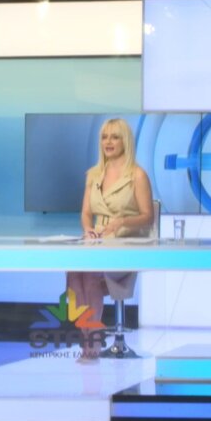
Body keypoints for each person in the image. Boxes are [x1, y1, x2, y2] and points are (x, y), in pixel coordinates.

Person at [67, 118, 154, 361]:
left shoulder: (137, 175)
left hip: (125, 244)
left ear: (125, 141)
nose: (108, 142)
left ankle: (91, 343)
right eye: (105, 137)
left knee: (91, 273)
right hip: (97, 241)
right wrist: (88, 229)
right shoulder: (93, 175)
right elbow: (86, 213)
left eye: (115, 137)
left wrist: (121, 222)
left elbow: (148, 217)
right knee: (74, 271)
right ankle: (89, 335)